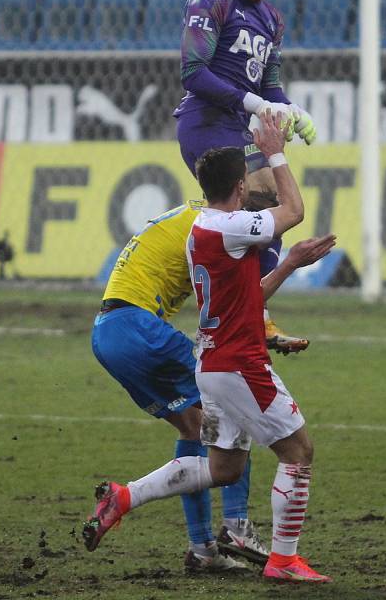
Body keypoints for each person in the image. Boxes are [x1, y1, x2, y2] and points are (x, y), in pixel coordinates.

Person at [82, 111, 336, 583]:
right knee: (298, 451)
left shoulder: (201, 230)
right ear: (240, 188)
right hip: (196, 347)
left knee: (209, 448)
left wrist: (287, 269)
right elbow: (293, 211)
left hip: (126, 333)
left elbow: (238, 299)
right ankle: (248, 537)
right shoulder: (228, 226)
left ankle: (146, 510)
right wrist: (275, 150)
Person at [83, 199, 268, 572]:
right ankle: (236, 526)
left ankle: (203, 550)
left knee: (193, 426)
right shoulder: (213, 226)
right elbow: (232, 304)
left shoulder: (189, 217)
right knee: (235, 401)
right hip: (138, 328)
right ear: (238, 189)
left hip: (107, 334)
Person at [173, 0, 316, 341]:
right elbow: (193, 73)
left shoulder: (272, 20)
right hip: (203, 123)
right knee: (259, 195)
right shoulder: (211, 4)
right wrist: (256, 104)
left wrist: (291, 108)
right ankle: (250, 317)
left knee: (269, 203)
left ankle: (252, 312)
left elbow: (269, 83)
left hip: (236, 128)